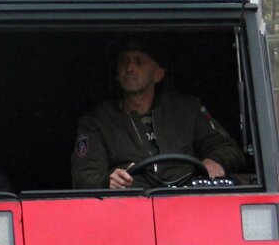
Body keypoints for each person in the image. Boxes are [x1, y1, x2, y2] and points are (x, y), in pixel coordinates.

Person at [71, 40, 245, 189]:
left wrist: (215, 161)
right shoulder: (97, 120)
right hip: (128, 207)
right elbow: (83, 176)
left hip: (186, 202)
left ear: (158, 74)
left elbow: (230, 149)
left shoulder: (187, 109)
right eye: (124, 62)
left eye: (139, 62)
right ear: (116, 74)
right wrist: (108, 180)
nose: (129, 68)